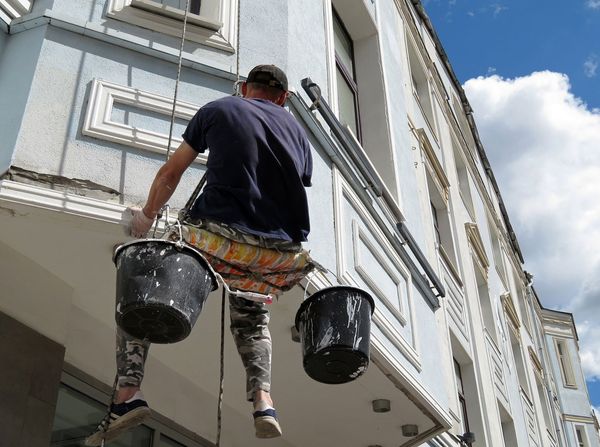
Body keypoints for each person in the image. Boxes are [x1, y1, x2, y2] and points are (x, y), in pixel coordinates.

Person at [86, 65, 312, 445]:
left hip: (218, 235)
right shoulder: (299, 135)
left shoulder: (219, 109)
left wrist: (146, 216)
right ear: (283, 99)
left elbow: (171, 173)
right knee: (252, 318)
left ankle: (127, 394)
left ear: (244, 88)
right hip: (277, 253)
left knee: (144, 289)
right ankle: (263, 401)